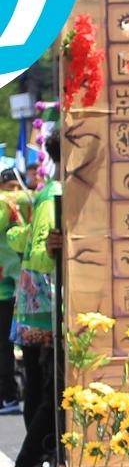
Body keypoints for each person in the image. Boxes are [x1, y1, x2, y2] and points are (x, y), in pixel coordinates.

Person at [1, 157, 62, 467]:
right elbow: (39, 254)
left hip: (36, 307)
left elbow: (26, 242)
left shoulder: (48, 194)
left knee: (43, 395)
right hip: (44, 311)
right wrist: (50, 246)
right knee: (49, 398)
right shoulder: (53, 195)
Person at [0, 167, 26, 413]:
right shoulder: (6, 207)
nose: (13, 192)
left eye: (18, 188)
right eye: (9, 188)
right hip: (8, 287)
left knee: (5, 346)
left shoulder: (16, 207)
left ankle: (8, 396)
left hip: (9, 291)